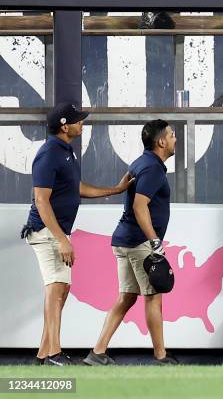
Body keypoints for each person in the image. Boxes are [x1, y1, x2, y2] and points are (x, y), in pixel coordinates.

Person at [22, 102, 133, 366]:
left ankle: (43, 354)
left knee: (62, 288)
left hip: (56, 231)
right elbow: (41, 200)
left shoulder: (65, 152)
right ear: (63, 125)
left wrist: (115, 191)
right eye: (77, 120)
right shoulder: (49, 153)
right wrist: (62, 239)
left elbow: (76, 187)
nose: (82, 123)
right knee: (57, 288)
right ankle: (53, 354)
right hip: (46, 231)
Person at [83, 119, 178, 366]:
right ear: (161, 142)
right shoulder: (152, 169)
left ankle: (97, 352)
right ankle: (161, 357)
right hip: (138, 243)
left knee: (127, 296)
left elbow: (132, 191)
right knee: (154, 296)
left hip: (125, 239)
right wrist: (154, 241)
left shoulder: (142, 162)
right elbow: (139, 206)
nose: (175, 138)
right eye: (171, 135)